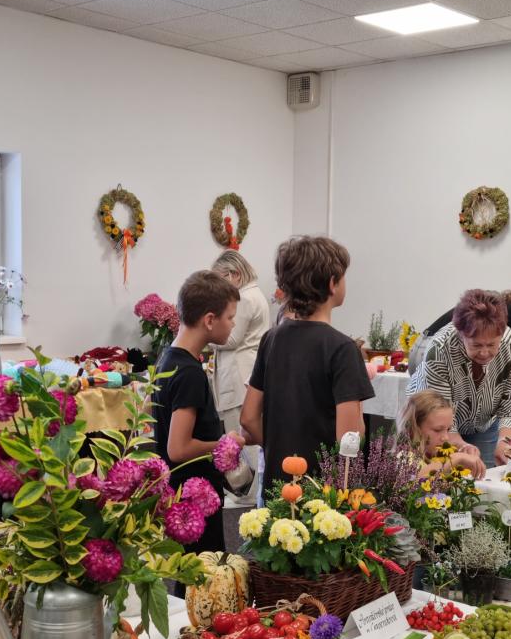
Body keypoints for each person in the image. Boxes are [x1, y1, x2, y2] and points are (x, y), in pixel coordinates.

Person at [241, 236, 373, 482]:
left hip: (277, 481)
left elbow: (248, 418)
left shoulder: (271, 339)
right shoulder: (342, 348)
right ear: (332, 284)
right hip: (320, 489)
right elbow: (349, 439)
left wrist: (277, 450)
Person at [151, 270, 243, 553]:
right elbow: (178, 448)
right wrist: (224, 443)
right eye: (230, 317)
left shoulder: (169, 357)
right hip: (194, 497)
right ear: (210, 320)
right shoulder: (189, 373)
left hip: (181, 492)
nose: (233, 323)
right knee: (203, 568)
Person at [407, 289, 511, 467]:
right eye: (476, 345)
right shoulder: (439, 349)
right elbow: (440, 414)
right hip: (437, 426)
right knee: (433, 476)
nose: (484, 352)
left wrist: (504, 442)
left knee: (483, 476)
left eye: (492, 344)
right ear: (461, 333)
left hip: (484, 424)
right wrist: (462, 446)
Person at [209, 249, 271, 506]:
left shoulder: (244, 297)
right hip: (244, 369)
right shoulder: (254, 294)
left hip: (239, 372)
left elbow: (231, 338)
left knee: (243, 437)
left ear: (234, 274)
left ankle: (251, 493)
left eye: (221, 279)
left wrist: (204, 334)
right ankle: (250, 490)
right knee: (245, 435)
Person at [396, 389, 486, 479]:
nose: (446, 438)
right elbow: (416, 478)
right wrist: (456, 458)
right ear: (413, 428)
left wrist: (465, 463)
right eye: (437, 430)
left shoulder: (435, 453)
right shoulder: (403, 456)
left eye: (448, 429)